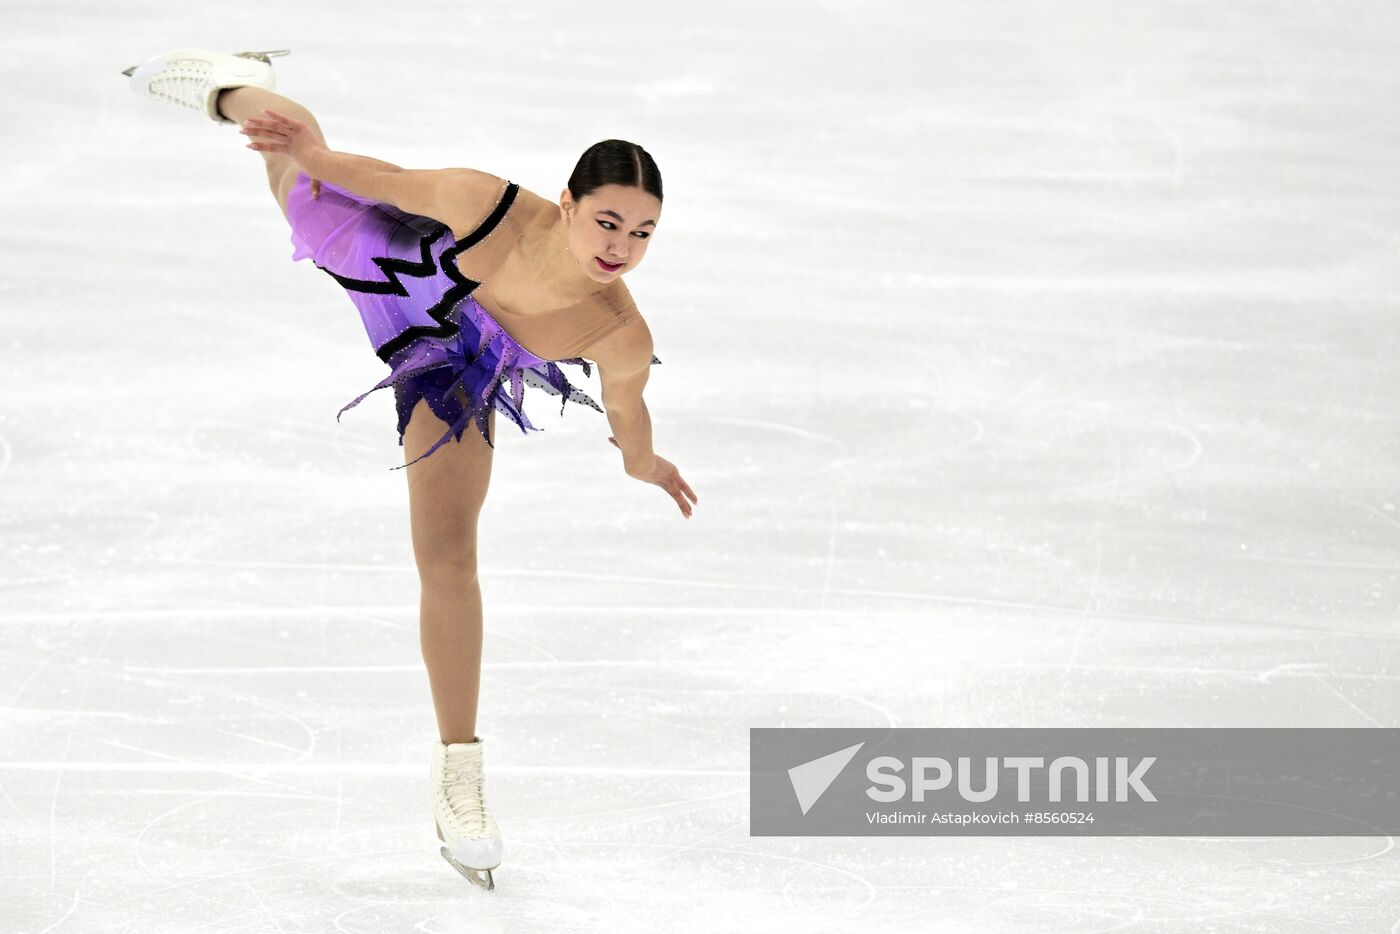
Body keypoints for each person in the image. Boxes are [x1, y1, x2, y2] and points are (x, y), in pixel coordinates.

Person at [122, 47, 698, 890]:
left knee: (449, 555)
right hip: (389, 254)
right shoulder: (484, 201)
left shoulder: (617, 331)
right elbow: (380, 175)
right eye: (607, 221)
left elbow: (628, 415)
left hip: (453, 365)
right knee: (291, 165)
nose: (621, 246)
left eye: (642, 232)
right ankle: (230, 83)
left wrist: (645, 465)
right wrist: (311, 156)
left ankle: (459, 777)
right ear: (569, 203)